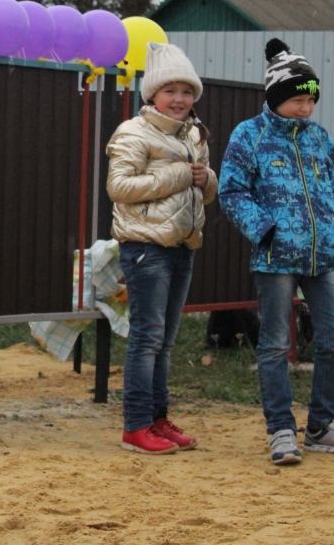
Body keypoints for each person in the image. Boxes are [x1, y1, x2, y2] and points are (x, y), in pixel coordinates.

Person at [219, 38, 334, 466]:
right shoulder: (248, 135)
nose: (306, 107)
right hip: (275, 259)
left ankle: (321, 426)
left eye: (311, 99)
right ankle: (281, 430)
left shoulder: (320, 138)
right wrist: (264, 232)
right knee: (273, 345)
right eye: (298, 99)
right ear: (277, 96)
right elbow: (232, 191)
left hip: (324, 258)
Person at [106, 42, 217, 454]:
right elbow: (118, 188)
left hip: (182, 246)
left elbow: (202, 195)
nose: (180, 100)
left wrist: (208, 181)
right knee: (147, 338)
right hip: (145, 248)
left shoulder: (194, 134)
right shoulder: (133, 133)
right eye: (171, 91)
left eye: (187, 92)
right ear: (152, 94)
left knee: (166, 341)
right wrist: (177, 176)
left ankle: (157, 419)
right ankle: (135, 426)